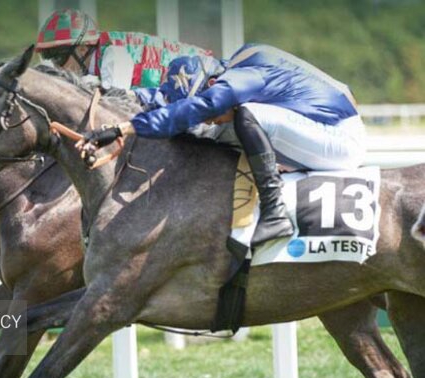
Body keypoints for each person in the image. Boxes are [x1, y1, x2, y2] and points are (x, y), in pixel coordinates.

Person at [79, 43, 367, 247]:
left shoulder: (241, 78)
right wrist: (106, 96)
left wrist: (122, 129)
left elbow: (199, 107)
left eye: (210, 112)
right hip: (316, 128)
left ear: (213, 83)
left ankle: (274, 212)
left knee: (245, 115)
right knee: (217, 128)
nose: (211, 119)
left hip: (339, 139)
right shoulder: (232, 67)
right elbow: (162, 101)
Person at [36, 9, 212, 90]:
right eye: (48, 58)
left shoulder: (114, 55)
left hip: (205, 81)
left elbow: (116, 106)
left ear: (82, 49)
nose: (56, 67)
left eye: (58, 58)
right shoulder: (99, 57)